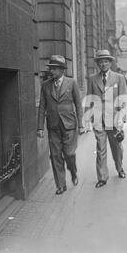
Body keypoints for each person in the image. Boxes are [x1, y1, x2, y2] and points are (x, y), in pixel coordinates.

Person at [37, 55, 85, 195]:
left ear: (62, 70)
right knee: (55, 156)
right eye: (51, 68)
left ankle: (73, 171)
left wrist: (81, 124)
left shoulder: (72, 83)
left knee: (69, 153)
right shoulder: (46, 85)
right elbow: (42, 107)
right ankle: (61, 185)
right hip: (53, 126)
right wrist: (40, 127)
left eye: (55, 69)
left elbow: (78, 105)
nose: (52, 71)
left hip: (69, 125)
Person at [86, 50, 127, 188]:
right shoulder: (92, 79)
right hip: (98, 120)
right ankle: (102, 177)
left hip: (115, 120)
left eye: (106, 61)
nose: (103, 64)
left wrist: (122, 117)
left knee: (117, 148)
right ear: (97, 64)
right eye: (100, 61)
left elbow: (124, 99)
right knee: (101, 148)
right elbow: (89, 99)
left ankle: (120, 168)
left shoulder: (119, 78)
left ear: (110, 63)